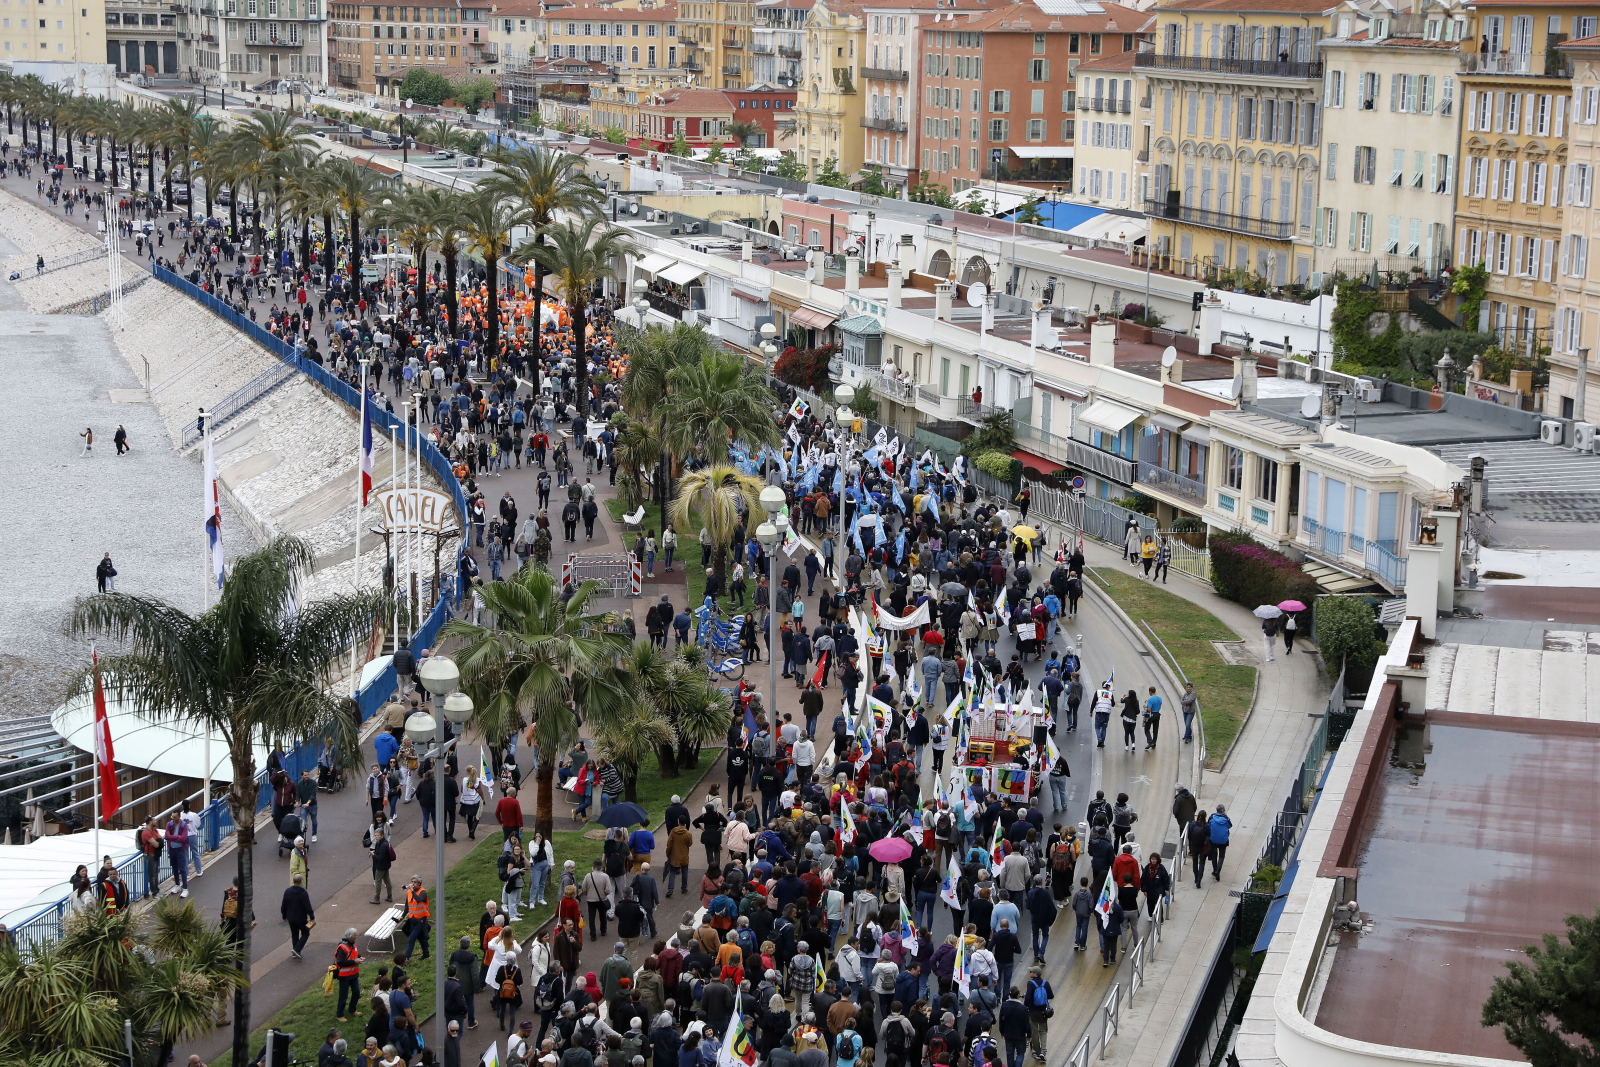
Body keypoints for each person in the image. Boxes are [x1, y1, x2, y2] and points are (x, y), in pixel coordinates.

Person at [282, 873, 315, 959]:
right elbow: (308, 906)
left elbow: (284, 904)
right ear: (300, 882)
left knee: (294, 934)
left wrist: (284, 915)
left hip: (291, 918)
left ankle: (295, 952)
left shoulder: (287, 891)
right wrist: (312, 917)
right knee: (305, 933)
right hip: (301, 918)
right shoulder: (303, 893)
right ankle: (297, 949)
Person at [403, 875, 432, 960]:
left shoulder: (423, 892)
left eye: (415, 882)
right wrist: (402, 916)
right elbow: (407, 905)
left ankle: (406, 958)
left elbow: (419, 899)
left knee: (411, 939)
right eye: (412, 882)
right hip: (412, 919)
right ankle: (426, 954)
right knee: (421, 937)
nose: (412, 884)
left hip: (421, 919)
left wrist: (412, 891)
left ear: (419, 883)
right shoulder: (408, 892)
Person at [1207, 805, 1232, 880]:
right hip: (1223, 840)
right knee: (1221, 856)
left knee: (1214, 855)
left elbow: (1208, 825)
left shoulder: (1212, 817)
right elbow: (1229, 826)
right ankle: (1218, 871)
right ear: (1222, 811)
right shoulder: (1226, 819)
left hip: (1213, 839)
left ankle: (1214, 870)